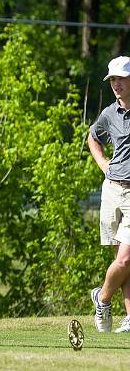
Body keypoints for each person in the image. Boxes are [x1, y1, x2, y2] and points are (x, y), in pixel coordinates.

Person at [87, 55, 130, 334]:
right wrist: (104, 164)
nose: (115, 84)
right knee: (124, 263)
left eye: (121, 78)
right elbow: (93, 137)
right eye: (112, 79)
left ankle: (102, 298)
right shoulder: (108, 114)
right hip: (113, 189)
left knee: (126, 259)